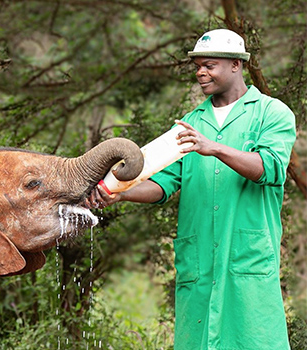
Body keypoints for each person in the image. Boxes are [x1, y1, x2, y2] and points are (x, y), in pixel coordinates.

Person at [87, 29, 296, 350]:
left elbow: (268, 168)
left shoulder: (271, 112)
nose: (201, 72)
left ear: (236, 65)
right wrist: (122, 193)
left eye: (209, 65)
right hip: (199, 263)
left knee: (254, 339)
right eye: (198, 66)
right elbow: (163, 185)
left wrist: (213, 148)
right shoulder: (188, 123)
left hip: (246, 260)